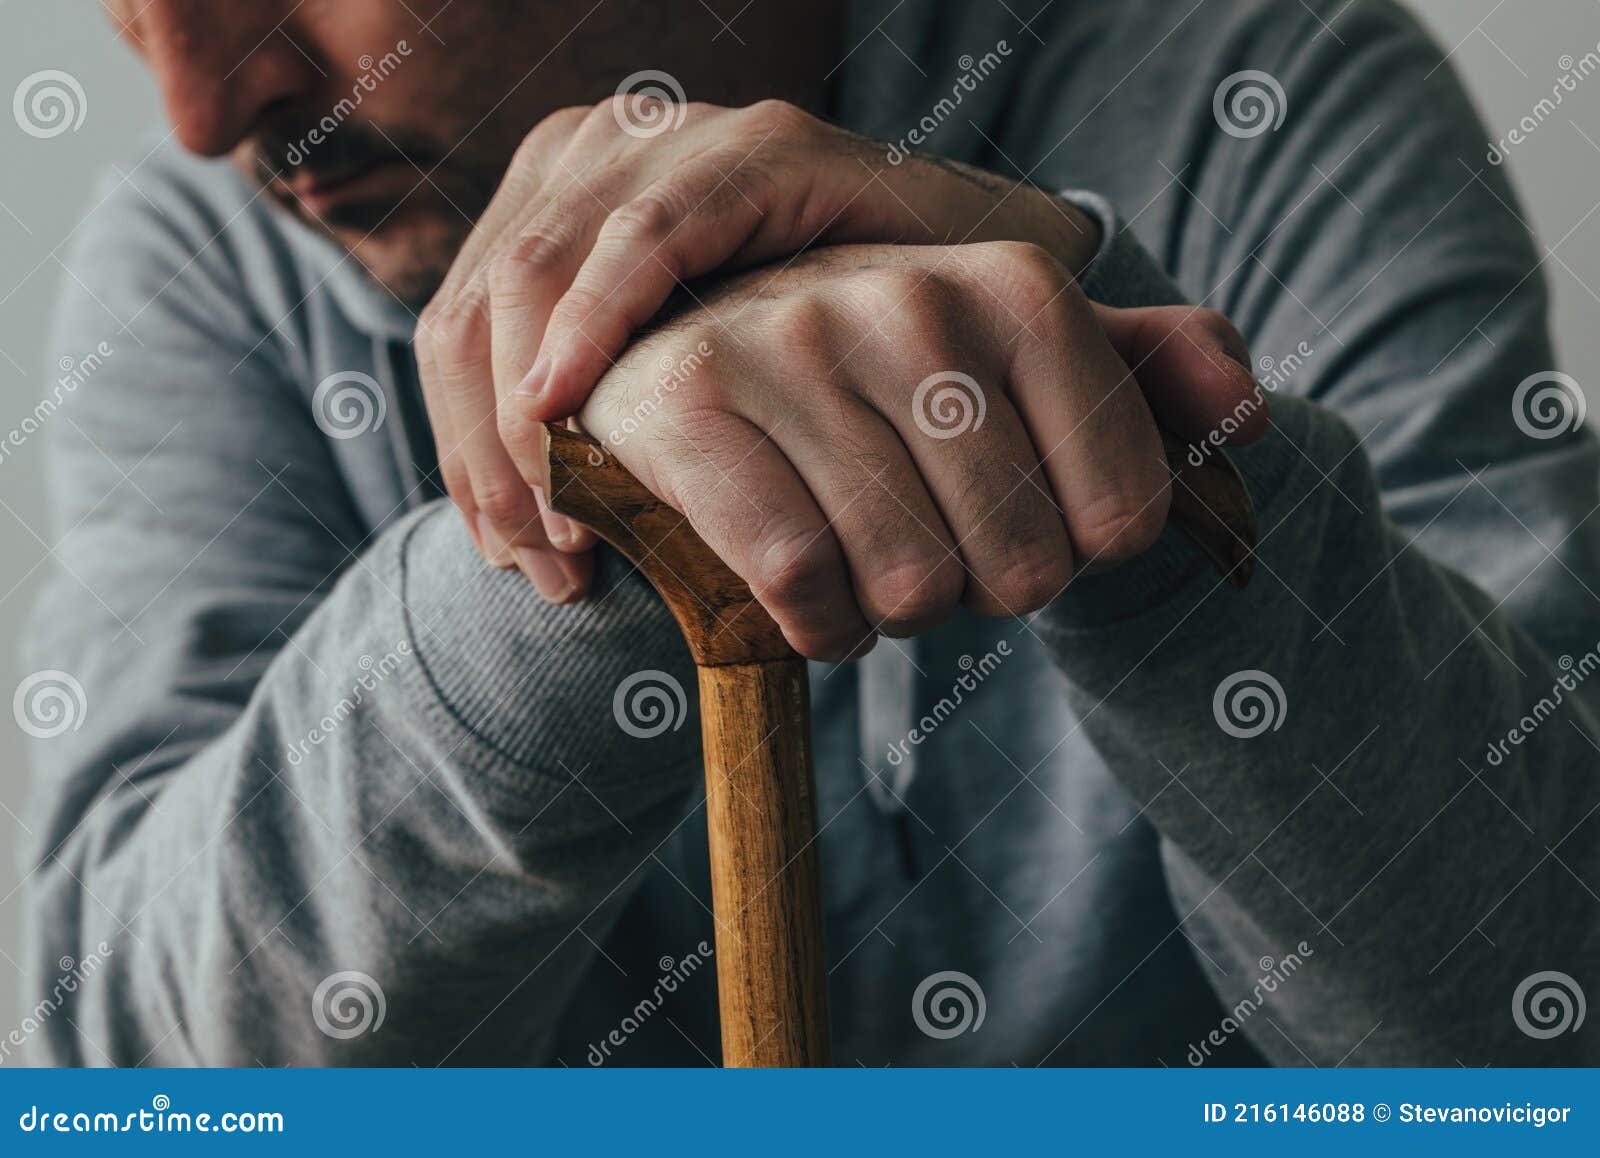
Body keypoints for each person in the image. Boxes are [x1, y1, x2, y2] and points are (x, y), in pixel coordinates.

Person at [19, 0, 1598, 1066]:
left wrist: (1124, 437)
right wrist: (603, 505)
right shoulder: (206, 260)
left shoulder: (1265, 74)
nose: (207, 105)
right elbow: (138, 1084)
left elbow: (1550, 1021)